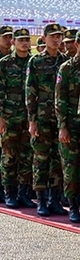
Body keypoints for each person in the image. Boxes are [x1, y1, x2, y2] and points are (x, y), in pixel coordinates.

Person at [25, 23, 68, 217]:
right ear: (43, 38)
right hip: (42, 118)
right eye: (52, 36)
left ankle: (55, 199)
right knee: (41, 159)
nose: (56, 39)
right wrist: (32, 120)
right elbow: (30, 92)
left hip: (60, 120)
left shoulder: (65, 62)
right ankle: (41, 200)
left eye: (59, 36)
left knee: (58, 161)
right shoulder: (35, 62)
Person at [55, 30, 80, 223]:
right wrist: (62, 126)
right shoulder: (67, 68)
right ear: (77, 44)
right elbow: (59, 99)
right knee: (71, 167)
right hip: (70, 125)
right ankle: (72, 207)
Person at [0, 28, 36, 209]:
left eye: (27, 39)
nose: (25, 43)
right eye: (20, 39)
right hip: (10, 116)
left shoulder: (34, 62)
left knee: (27, 156)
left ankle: (23, 193)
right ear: (14, 42)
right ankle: (9, 193)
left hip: (28, 117)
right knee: (8, 156)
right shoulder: (5, 64)